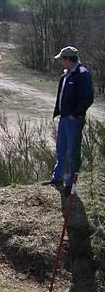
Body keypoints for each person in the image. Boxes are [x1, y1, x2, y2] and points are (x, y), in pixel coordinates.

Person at [43, 46, 94, 196]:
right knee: (61, 149)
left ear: (68, 59)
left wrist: (76, 113)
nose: (60, 62)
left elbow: (88, 98)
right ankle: (57, 178)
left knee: (73, 153)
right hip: (64, 118)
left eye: (61, 59)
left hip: (74, 120)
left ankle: (71, 185)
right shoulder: (65, 75)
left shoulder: (82, 74)